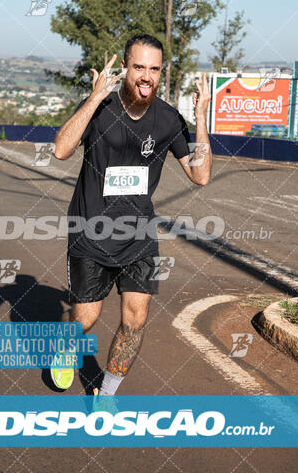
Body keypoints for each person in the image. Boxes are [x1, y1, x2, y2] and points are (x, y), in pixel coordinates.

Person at [51, 34, 212, 395]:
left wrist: (201, 119)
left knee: (135, 318)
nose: (146, 76)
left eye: (154, 69)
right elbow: (61, 150)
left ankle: (107, 393)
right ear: (125, 67)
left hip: (139, 236)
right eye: (139, 67)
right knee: (85, 318)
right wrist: (93, 97)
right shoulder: (101, 106)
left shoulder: (169, 120)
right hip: (90, 230)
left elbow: (200, 175)